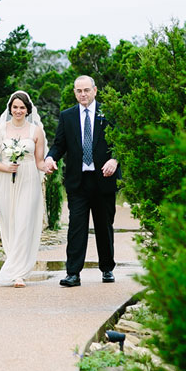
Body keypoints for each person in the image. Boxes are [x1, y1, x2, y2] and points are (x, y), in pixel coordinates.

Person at [44, 75, 119, 287]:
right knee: (76, 228)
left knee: (104, 227)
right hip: (78, 182)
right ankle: (73, 273)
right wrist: (50, 158)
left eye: (87, 90)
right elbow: (59, 144)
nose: (83, 94)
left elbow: (120, 142)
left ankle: (107, 269)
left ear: (95, 90)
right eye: (79, 91)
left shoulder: (109, 113)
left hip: (104, 179)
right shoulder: (67, 116)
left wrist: (115, 160)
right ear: (75, 93)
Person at [0, 91, 49, 288]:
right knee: (10, 223)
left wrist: (47, 167)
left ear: (28, 109)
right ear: (10, 109)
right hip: (6, 180)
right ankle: (13, 264)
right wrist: (7, 167)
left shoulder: (36, 131)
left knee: (23, 222)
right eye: (15, 107)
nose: (18, 111)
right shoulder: (0, 130)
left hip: (28, 179)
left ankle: (18, 273)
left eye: (22, 107)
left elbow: (39, 161)